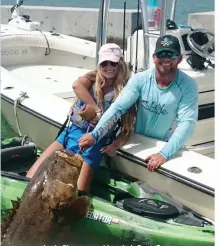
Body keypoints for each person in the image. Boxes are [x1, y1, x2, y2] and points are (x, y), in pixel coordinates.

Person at [79, 35, 199, 172]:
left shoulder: (188, 86)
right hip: (138, 138)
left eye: (171, 55)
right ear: (154, 58)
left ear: (179, 59)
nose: (166, 59)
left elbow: (187, 124)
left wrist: (164, 154)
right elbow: (118, 108)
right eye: (161, 54)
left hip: (165, 144)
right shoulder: (140, 79)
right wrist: (95, 135)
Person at [26, 43, 136, 192]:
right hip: (71, 134)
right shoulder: (91, 79)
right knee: (31, 175)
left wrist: (115, 145)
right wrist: (95, 108)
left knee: (80, 189)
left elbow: (127, 129)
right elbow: (76, 85)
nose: (108, 67)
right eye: (104, 63)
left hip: (95, 143)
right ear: (99, 64)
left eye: (113, 63)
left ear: (120, 64)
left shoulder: (125, 92)